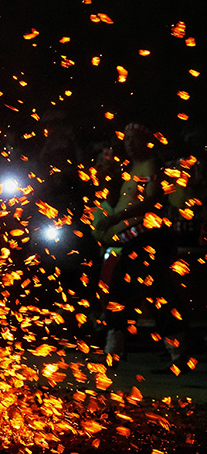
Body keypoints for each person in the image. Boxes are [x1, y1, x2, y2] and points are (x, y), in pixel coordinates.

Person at [92, 123, 189, 371]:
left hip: (153, 239)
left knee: (159, 294)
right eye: (127, 140)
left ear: (146, 142)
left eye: (134, 139)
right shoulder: (129, 169)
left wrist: (115, 220)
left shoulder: (152, 165)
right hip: (135, 240)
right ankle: (113, 351)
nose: (129, 144)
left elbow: (150, 201)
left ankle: (178, 355)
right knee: (120, 291)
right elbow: (122, 201)